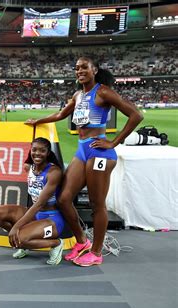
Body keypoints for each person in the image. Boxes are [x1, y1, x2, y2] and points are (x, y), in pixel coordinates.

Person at [25, 56, 143, 267]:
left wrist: (114, 142)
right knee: (63, 198)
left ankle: (96, 252)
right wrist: (38, 121)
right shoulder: (79, 95)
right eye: (77, 68)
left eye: (84, 67)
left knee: (97, 204)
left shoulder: (103, 92)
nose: (79, 71)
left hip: (99, 152)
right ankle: (82, 242)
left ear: (94, 70)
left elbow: (136, 115)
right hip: (82, 150)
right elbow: (62, 113)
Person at [0, 137, 66, 265]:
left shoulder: (54, 172)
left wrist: (15, 228)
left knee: (19, 237)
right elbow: (30, 160)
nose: (37, 153)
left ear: (48, 153)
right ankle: (23, 243)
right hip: (35, 216)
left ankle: (56, 243)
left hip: (52, 220)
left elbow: (39, 204)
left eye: (42, 151)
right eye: (34, 150)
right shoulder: (28, 167)